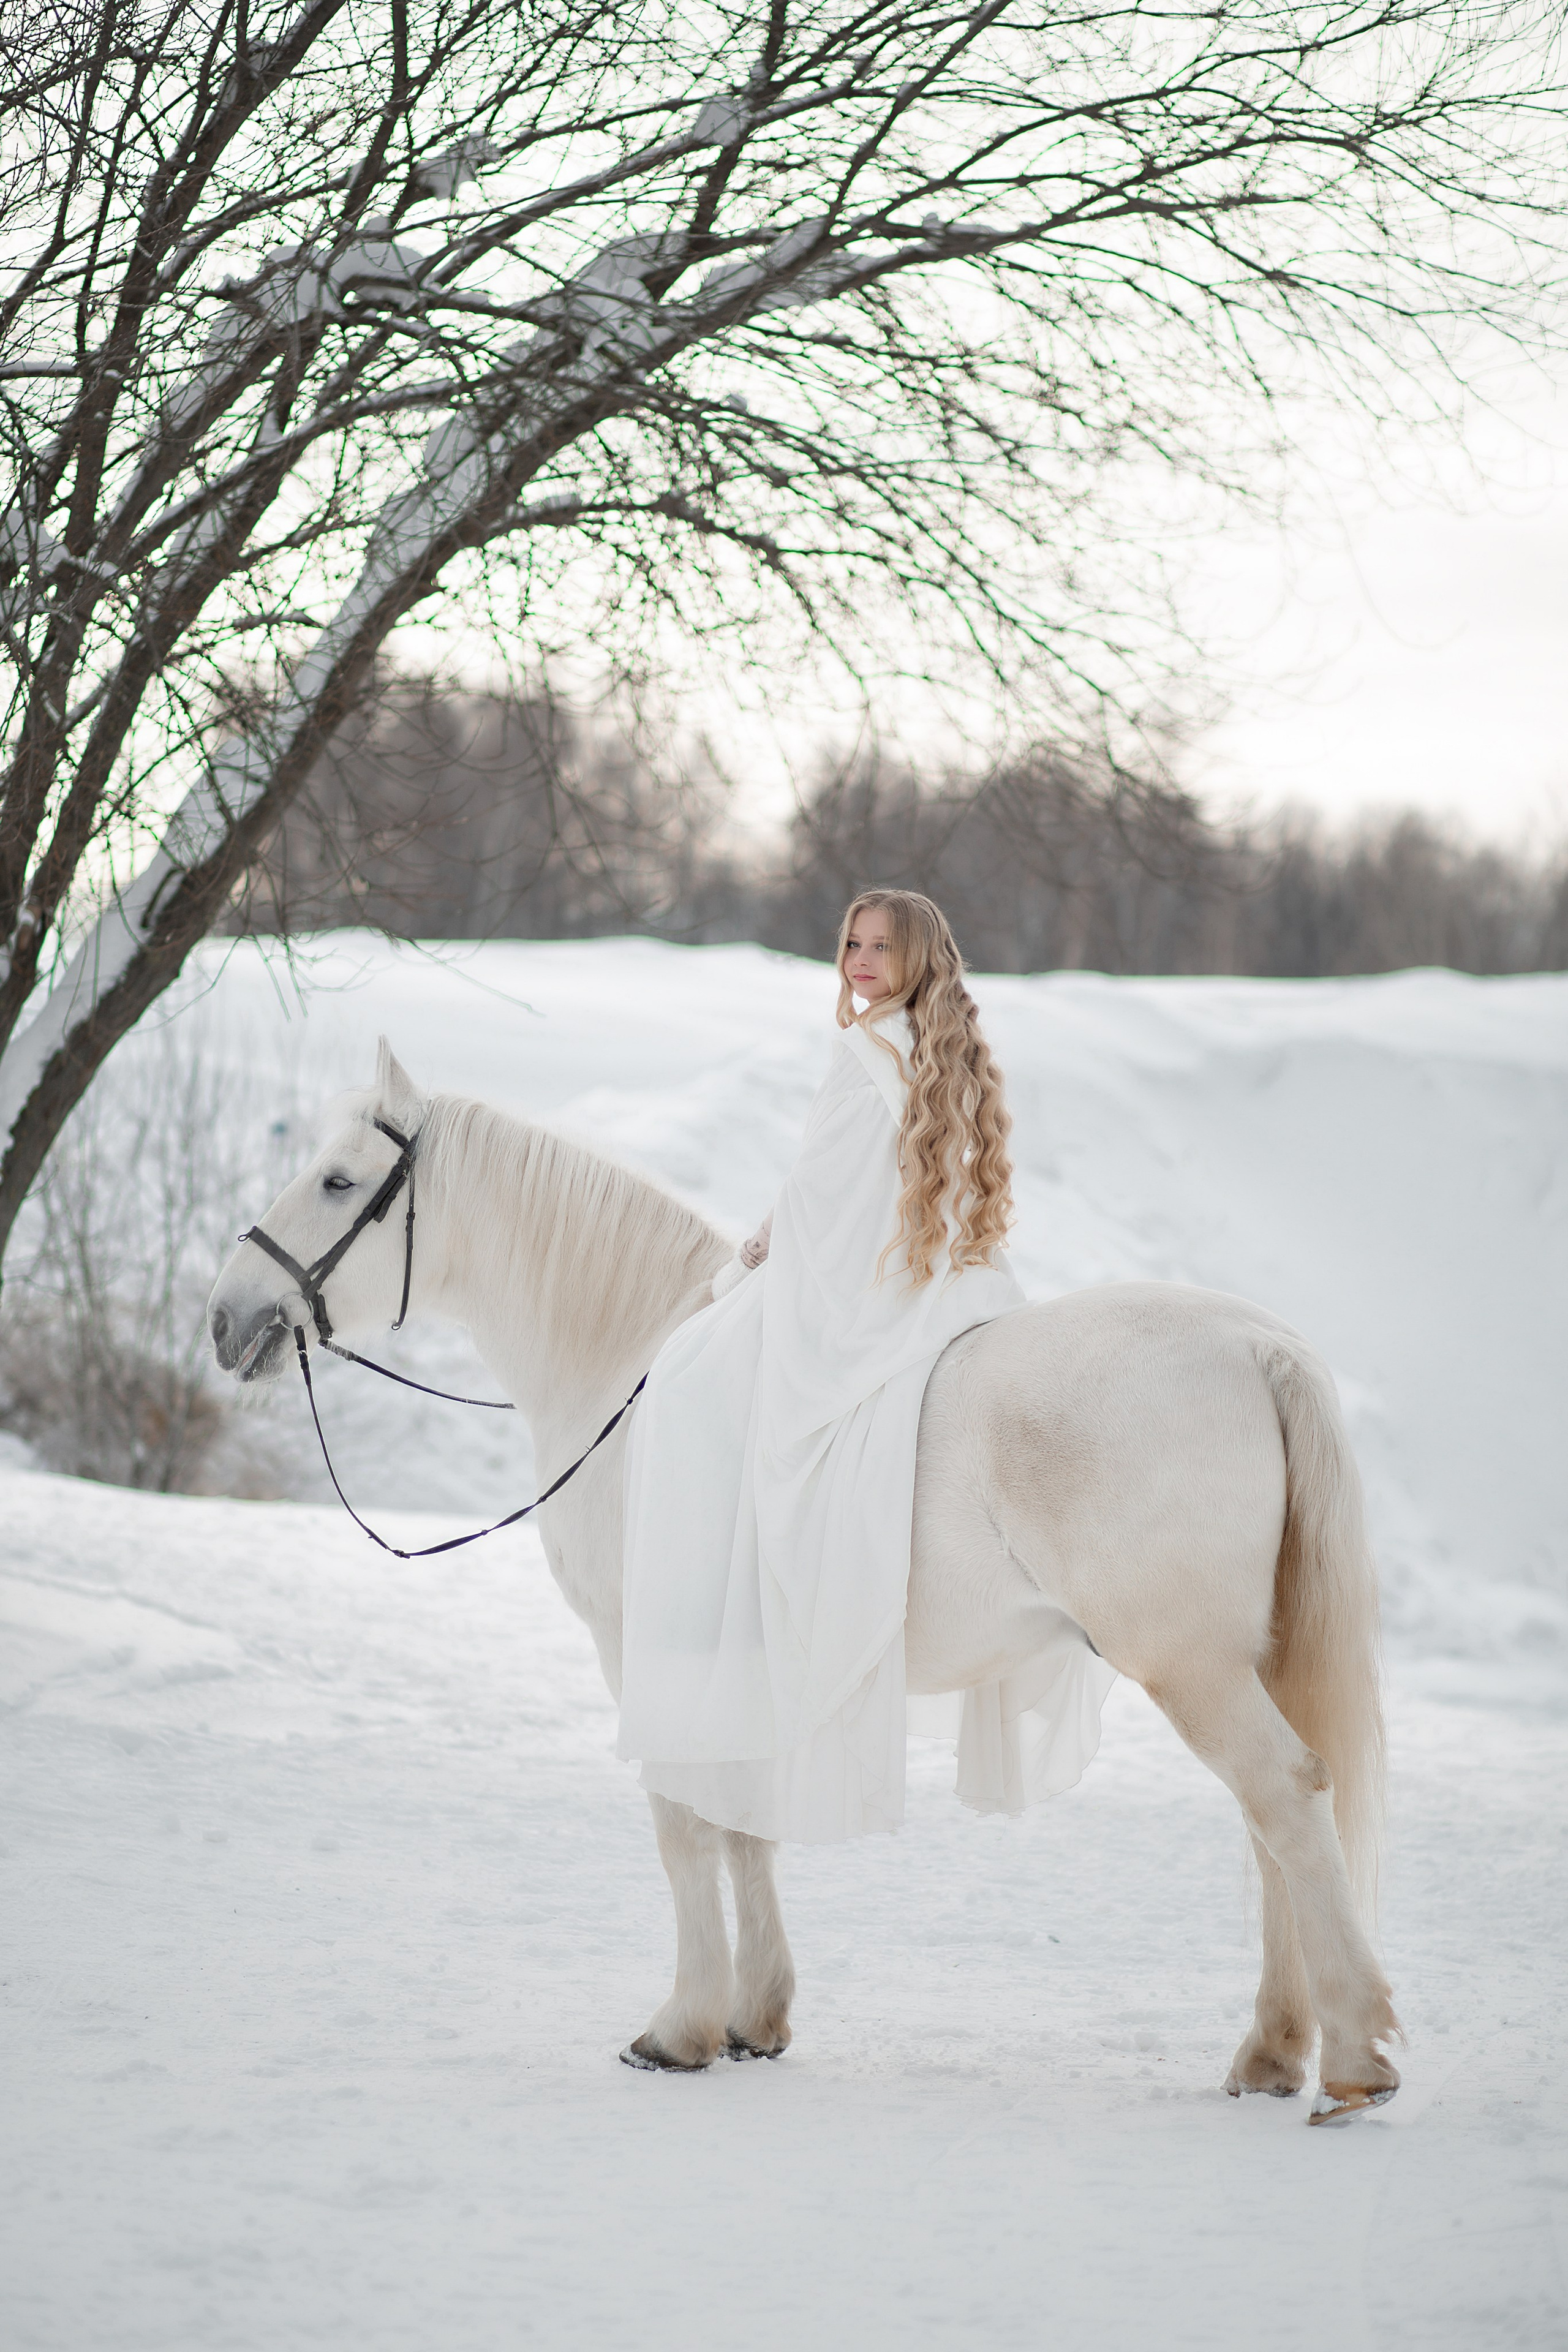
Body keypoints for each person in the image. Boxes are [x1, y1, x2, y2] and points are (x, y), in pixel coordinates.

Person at [617, 889, 1105, 1842]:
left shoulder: (861, 1050)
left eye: (883, 946)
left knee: (687, 1375)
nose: (862, 959)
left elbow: (825, 1203)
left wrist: (755, 1260)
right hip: (944, 1279)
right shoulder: (941, 1049)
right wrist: (783, 1227)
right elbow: (844, 1190)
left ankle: (729, 1622)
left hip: (862, 1294)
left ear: (919, 957)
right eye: (853, 941)